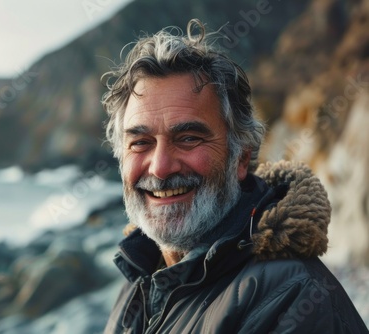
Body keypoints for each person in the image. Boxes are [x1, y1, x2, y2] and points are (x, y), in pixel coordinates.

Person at [101, 19, 368, 333]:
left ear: (241, 157)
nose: (160, 167)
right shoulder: (138, 281)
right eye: (140, 143)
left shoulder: (292, 298)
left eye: (188, 138)